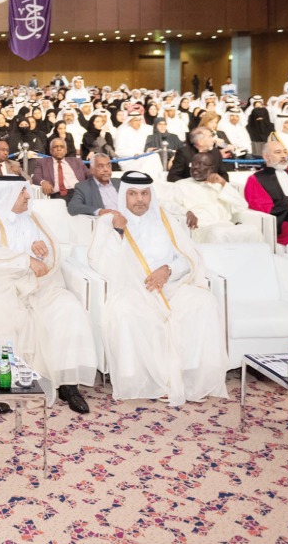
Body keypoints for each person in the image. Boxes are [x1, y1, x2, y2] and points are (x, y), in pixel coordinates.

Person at [88, 171, 229, 405]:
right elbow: (101, 264)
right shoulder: (110, 223)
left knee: (203, 303)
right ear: (124, 195)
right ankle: (157, 382)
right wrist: (119, 232)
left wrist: (168, 270)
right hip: (132, 289)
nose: (139, 200)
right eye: (133, 194)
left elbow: (188, 256)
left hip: (171, 286)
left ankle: (191, 378)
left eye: (144, 193)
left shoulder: (165, 220)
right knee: (127, 312)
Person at [0, 178, 97, 414]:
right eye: (22, 192)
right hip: (4, 288)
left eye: (27, 190)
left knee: (69, 308)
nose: (28, 196)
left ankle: (68, 384)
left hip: (41, 287)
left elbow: (55, 252)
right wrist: (25, 259)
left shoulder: (34, 219)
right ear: (7, 194)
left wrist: (43, 252)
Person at [166, 152, 264, 244]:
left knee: (254, 231)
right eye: (193, 164)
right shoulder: (181, 185)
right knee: (218, 233)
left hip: (225, 225)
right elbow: (166, 205)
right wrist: (186, 212)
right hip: (201, 228)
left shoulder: (219, 185)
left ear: (211, 169)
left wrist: (223, 184)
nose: (195, 167)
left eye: (200, 164)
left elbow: (242, 206)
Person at [31, 137, 89, 202]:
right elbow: (35, 176)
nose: (59, 149)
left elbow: (89, 174)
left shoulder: (76, 161)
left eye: (62, 147)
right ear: (51, 150)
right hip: (58, 196)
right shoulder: (42, 162)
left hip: (78, 192)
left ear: (66, 150)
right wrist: (43, 182)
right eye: (55, 147)